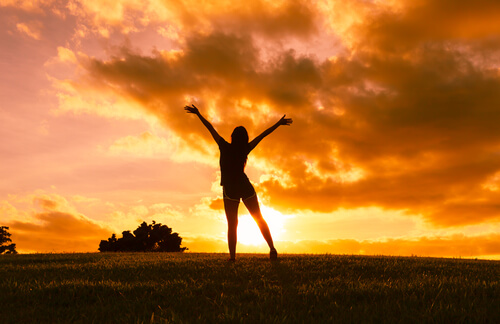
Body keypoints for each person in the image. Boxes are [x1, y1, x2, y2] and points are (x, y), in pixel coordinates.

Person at [185, 104, 292, 261]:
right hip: (244, 185)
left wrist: (198, 114)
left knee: (232, 224)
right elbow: (263, 135)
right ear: (245, 139)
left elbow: (210, 127)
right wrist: (278, 123)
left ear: (232, 137)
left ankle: (233, 258)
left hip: (231, 188)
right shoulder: (245, 149)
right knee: (259, 218)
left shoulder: (224, 146)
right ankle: (272, 248)